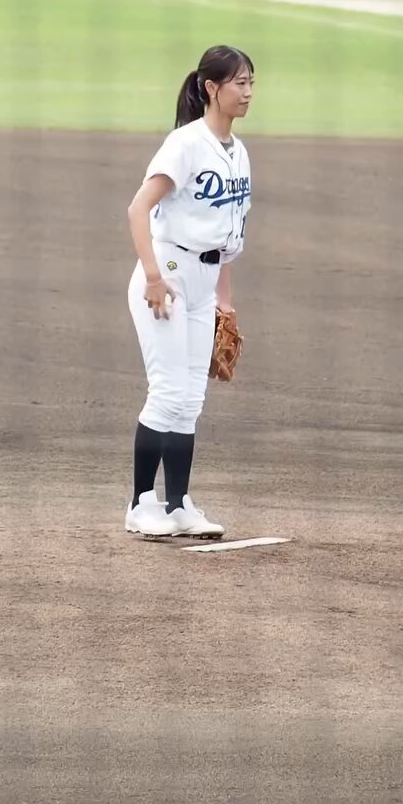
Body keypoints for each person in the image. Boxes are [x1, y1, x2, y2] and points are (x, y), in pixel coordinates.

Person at [125, 45, 254, 538]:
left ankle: (178, 505)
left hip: (203, 286)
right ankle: (140, 504)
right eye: (239, 82)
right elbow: (138, 208)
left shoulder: (238, 153)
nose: (247, 92)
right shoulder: (185, 143)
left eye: (251, 83)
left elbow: (226, 239)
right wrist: (153, 277)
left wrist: (226, 302)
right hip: (168, 276)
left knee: (191, 398)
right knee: (167, 391)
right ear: (211, 88)